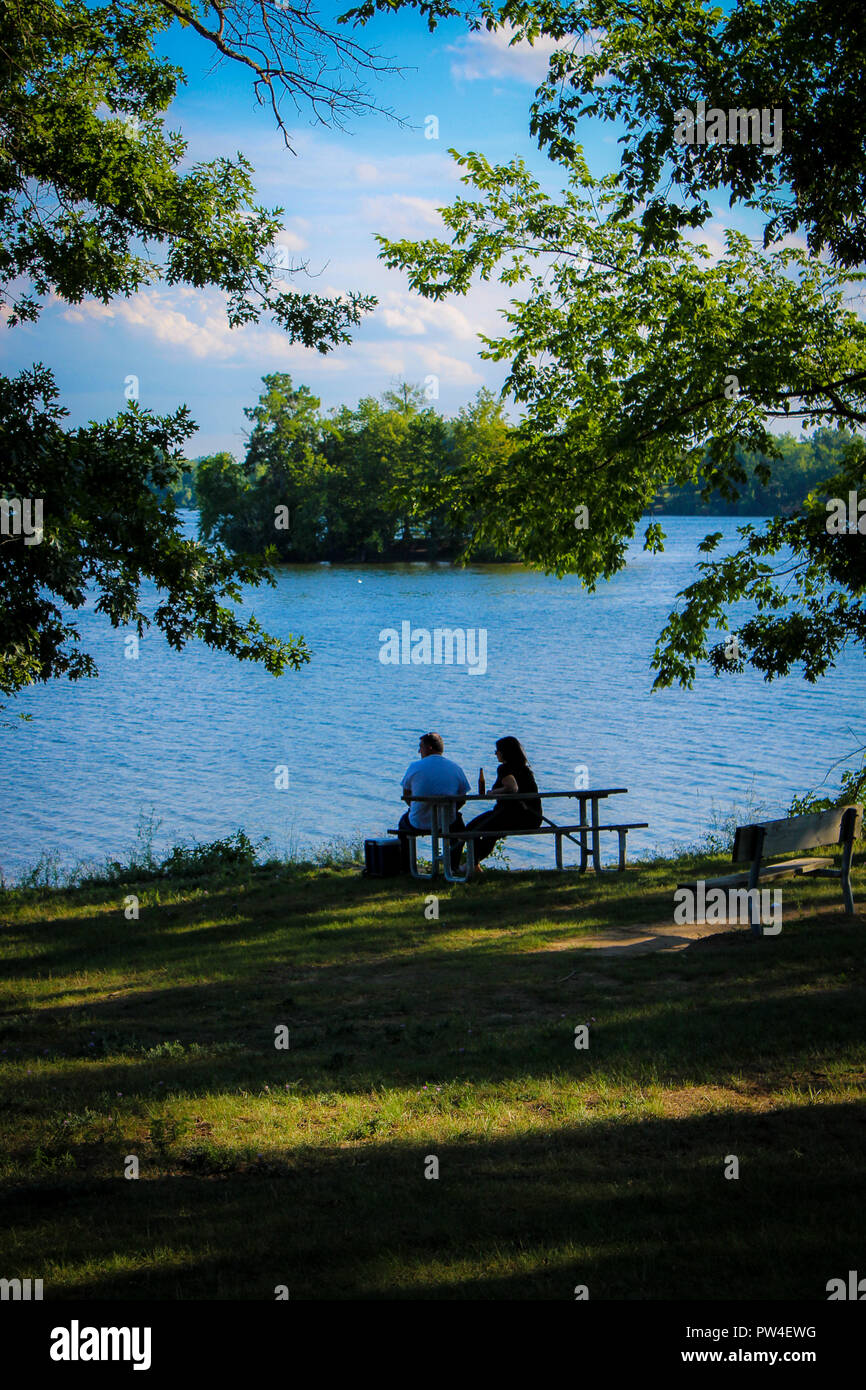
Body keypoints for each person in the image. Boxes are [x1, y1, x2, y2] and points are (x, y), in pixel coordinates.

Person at [455, 736, 543, 874]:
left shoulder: (504, 768)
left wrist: (493, 792)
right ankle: (473, 865)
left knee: (476, 830)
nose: (495, 753)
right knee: (475, 828)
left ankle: (468, 865)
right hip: (532, 817)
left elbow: (512, 788)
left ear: (504, 752)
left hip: (513, 815)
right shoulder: (524, 769)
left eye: (497, 751)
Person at [398, 732, 470, 872]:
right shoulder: (455, 768)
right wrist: (449, 809)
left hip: (418, 821)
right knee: (460, 828)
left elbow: (407, 796)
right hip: (447, 822)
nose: (419, 751)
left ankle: (406, 867)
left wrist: (419, 807)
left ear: (429, 748)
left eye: (421, 747)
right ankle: (453, 866)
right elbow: (462, 798)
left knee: (403, 826)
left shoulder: (415, 767)